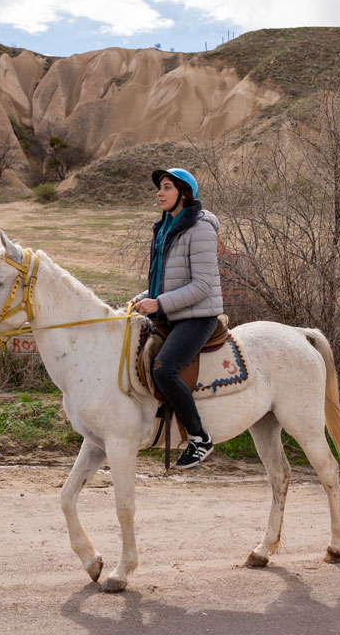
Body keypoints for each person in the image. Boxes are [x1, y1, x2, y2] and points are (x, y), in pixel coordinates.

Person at [127, 167, 224, 468]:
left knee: (163, 369)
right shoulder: (166, 227)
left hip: (198, 316)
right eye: (159, 187)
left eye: (166, 187)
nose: (159, 192)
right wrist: (144, 298)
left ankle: (199, 438)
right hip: (172, 312)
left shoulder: (201, 229)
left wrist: (159, 304)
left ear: (184, 193)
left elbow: (203, 285)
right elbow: (166, 281)